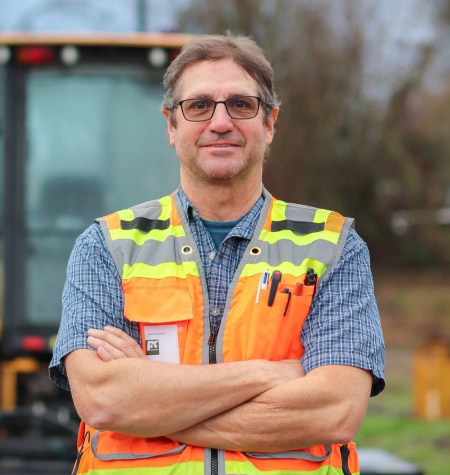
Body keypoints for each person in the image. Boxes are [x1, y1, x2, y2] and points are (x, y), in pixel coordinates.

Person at [50, 33, 385, 475]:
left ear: (270, 123)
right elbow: (102, 399)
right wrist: (269, 373)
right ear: (172, 125)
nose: (221, 122)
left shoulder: (334, 247)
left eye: (241, 105)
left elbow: (335, 411)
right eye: (199, 106)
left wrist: (152, 403)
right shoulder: (107, 246)